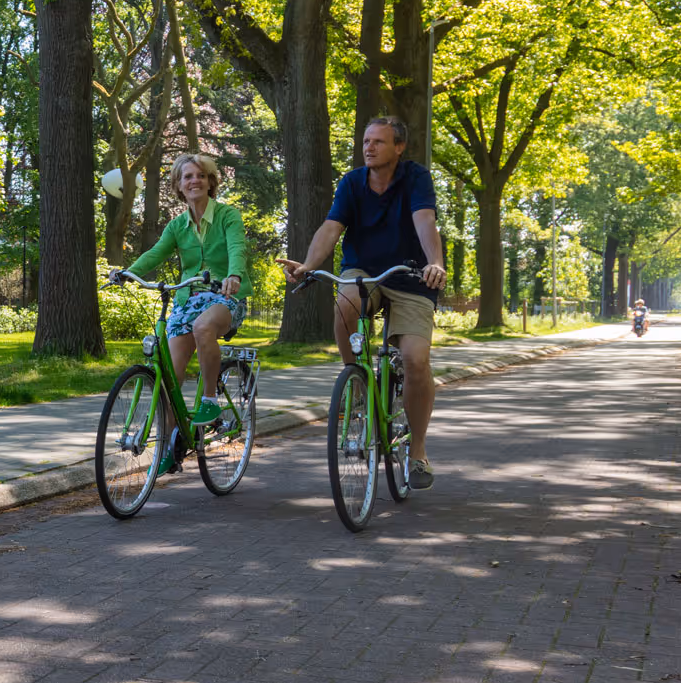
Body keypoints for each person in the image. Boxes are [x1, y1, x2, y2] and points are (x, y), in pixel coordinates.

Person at [280, 117, 447, 489]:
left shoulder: (416, 178)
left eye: (378, 142)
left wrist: (435, 263)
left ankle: (417, 453)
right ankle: (356, 380)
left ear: (399, 147)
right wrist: (309, 264)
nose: (368, 147)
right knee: (347, 296)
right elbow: (331, 228)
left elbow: (425, 221)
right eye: (366, 141)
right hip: (363, 270)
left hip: (412, 273)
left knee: (416, 360)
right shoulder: (352, 182)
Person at [115, 153, 251, 448]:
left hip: (225, 296)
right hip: (189, 299)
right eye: (188, 177)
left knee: (204, 328)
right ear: (179, 185)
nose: (195, 181)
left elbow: (237, 248)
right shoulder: (177, 225)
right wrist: (128, 272)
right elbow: (156, 252)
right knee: (168, 379)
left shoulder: (228, 216)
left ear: (210, 181)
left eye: (201, 176)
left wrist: (234, 275)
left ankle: (210, 399)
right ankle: (171, 445)